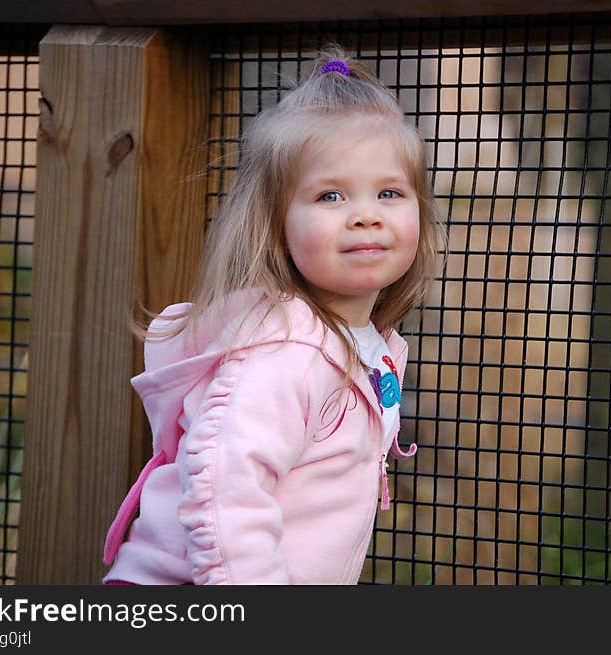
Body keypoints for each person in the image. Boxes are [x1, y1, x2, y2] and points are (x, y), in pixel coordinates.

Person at [101, 46, 445, 585]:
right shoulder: (284, 352)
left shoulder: (366, 345)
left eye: (389, 193)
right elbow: (225, 493)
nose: (366, 216)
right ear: (275, 223)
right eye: (330, 195)